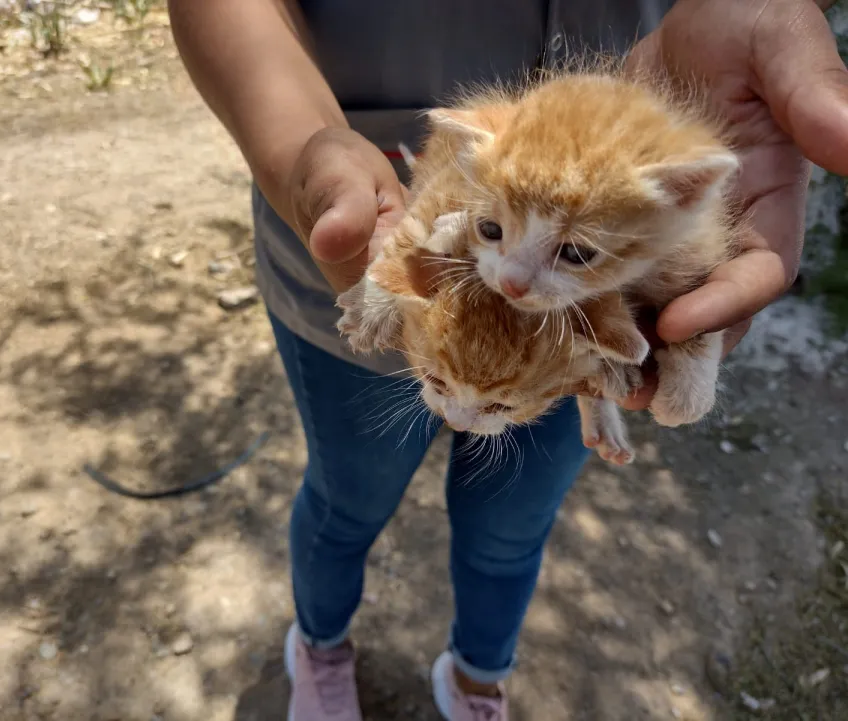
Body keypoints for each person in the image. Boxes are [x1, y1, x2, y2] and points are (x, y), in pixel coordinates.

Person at [167, 1, 848, 719]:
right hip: (361, 239)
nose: (513, 284)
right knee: (347, 502)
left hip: (585, 313)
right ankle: (320, 642)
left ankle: (480, 673)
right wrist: (304, 148)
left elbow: (659, 314)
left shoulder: (633, 256)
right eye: (492, 230)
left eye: (576, 251)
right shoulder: (481, 196)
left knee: (510, 531)